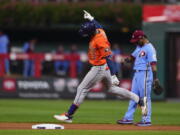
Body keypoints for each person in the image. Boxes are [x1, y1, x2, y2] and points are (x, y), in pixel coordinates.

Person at [54, 10, 145, 123]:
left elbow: (108, 58)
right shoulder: (99, 31)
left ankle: (69, 115)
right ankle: (137, 98)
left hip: (99, 67)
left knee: (82, 89)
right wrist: (91, 18)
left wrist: (113, 75)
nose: (83, 33)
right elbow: (99, 25)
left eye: (85, 32)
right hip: (103, 66)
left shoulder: (100, 40)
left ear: (90, 32)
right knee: (111, 88)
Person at [117, 30, 159, 126]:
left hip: (145, 74)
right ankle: (128, 118)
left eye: (137, 40)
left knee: (144, 98)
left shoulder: (150, 48)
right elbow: (132, 57)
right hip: (136, 74)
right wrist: (126, 60)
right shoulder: (139, 47)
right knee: (133, 96)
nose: (135, 42)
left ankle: (146, 119)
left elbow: (153, 64)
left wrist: (156, 79)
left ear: (142, 38)